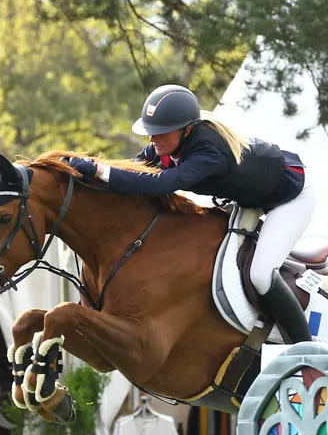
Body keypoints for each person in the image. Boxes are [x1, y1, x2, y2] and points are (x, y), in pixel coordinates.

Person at [63, 84, 314, 343]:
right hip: (251, 200)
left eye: (160, 133)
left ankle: (305, 347)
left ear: (187, 130)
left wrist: (98, 169)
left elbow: (160, 184)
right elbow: (136, 171)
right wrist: (89, 178)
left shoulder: (208, 152)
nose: (152, 139)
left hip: (290, 198)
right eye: (151, 132)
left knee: (260, 275)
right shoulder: (169, 145)